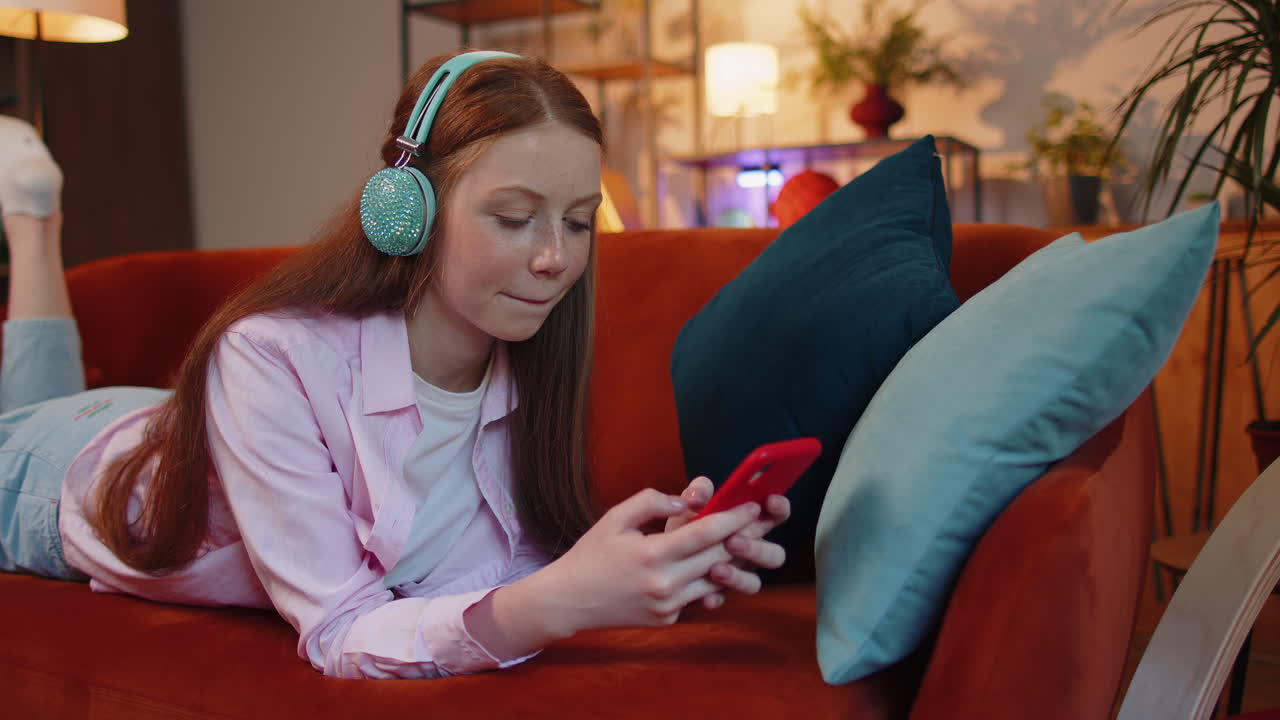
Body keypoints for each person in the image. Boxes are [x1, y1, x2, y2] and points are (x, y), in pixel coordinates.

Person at [0, 51, 791, 679]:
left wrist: (645, 560)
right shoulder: (267, 354)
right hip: (53, 474)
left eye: (580, 223)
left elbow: (486, 573)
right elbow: (340, 632)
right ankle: (35, 228)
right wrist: (557, 603)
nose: (555, 258)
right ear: (406, 210)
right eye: (515, 218)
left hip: (166, 424)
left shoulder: (525, 362)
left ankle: (33, 222)